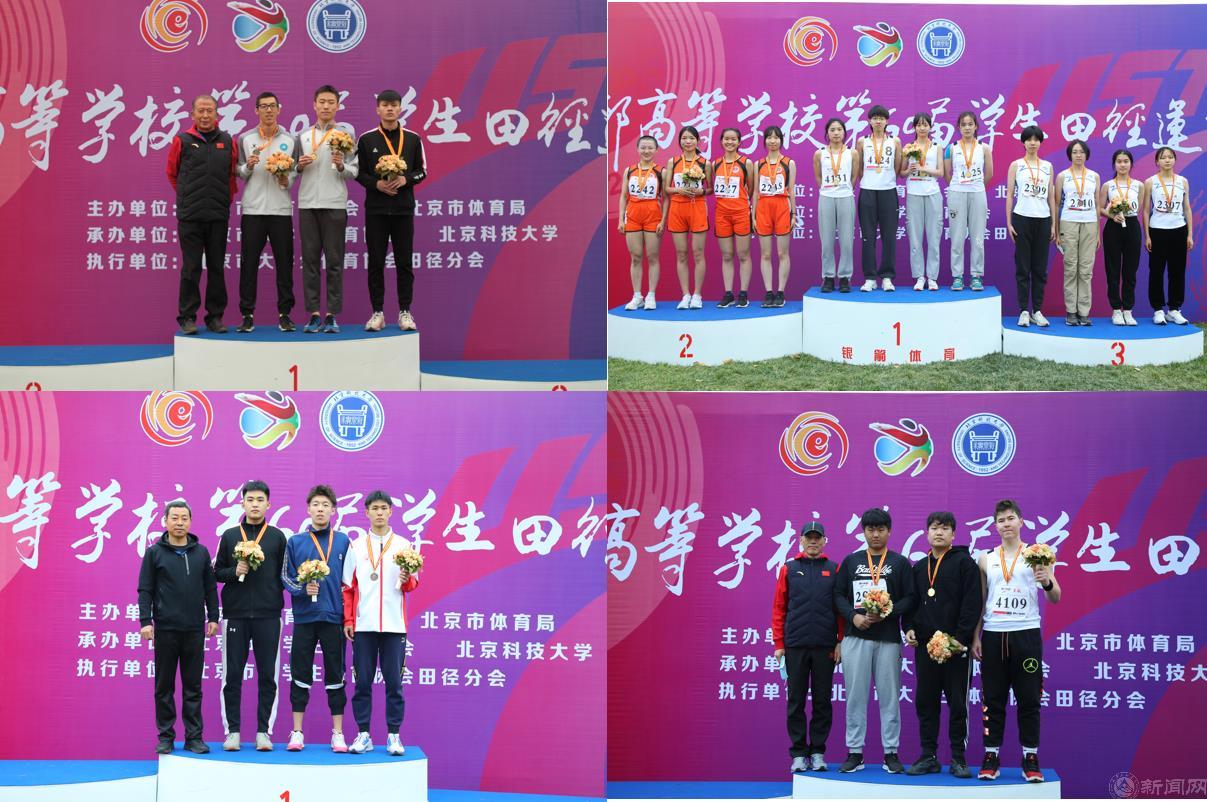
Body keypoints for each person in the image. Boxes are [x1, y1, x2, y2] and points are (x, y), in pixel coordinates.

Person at [972, 500, 1062, 783]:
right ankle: (991, 755)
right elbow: (981, 600)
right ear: (995, 525)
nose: (1006, 524)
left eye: (1011, 518)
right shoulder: (985, 558)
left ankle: (1030, 757)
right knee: (992, 699)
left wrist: (1046, 581)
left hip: (1026, 635)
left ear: (1021, 522)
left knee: (1029, 698)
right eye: (1001, 520)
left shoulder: (1038, 554)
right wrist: (975, 636)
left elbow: (1055, 596)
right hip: (994, 635)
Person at [833, 508, 914, 774]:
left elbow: (910, 598)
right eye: (870, 529)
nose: (875, 534)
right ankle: (855, 752)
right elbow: (838, 596)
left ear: (889, 531)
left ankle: (891, 752)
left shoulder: (900, 563)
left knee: (889, 698)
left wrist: (888, 611)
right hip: (856, 637)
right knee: (855, 697)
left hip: (888, 639)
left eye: (880, 529)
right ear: (864, 532)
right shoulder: (851, 561)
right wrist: (853, 617)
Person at [137, 500, 220, 754]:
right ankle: (166, 737)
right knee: (164, 686)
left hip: (194, 629)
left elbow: (210, 589)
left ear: (191, 522)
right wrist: (146, 621)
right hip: (166, 629)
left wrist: (213, 617)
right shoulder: (154, 553)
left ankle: (194, 737)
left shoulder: (201, 553)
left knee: (193, 686)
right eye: (175, 518)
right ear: (165, 521)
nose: (180, 522)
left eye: (184, 518)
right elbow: (145, 589)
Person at [902, 512, 981, 779]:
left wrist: (960, 638)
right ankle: (929, 756)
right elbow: (911, 602)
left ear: (953, 534)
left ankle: (958, 758)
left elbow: (972, 603)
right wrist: (909, 628)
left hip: (956, 648)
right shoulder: (918, 567)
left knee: (958, 704)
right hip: (926, 647)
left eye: (945, 528)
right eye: (935, 528)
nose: (939, 532)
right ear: (927, 533)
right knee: (926, 702)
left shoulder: (965, 563)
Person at [342, 492, 420, 756]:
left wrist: (407, 578)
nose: (379, 512)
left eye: (383, 508)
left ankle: (394, 736)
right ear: (366, 512)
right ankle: (363, 734)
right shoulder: (356, 546)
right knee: (362, 682)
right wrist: (349, 619)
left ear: (390, 512)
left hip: (394, 626)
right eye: (374, 508)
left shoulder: (403, 545)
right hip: (363, 625)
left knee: (394, 684)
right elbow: (348, 587)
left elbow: (413, 584)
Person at [213, 480, 287, 751]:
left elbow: (285, 575)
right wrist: (235, 571)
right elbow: (216, 573)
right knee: (232, 675)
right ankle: (232, 731)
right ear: (242, 503)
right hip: (235, 615)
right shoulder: (230, 535)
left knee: (268, 675)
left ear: (268, 504)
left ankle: (263, 732)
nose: (255, 504)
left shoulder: (277, 537)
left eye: (260, 500)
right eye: (250, 500)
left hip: (269, 615)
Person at [281, 485, 352, 752]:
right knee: (300, 673)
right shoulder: (295, 542)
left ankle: (338, 734)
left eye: (325, 505)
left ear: (333, 510)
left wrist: (348, 617)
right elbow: (285, 576)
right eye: (316, 505)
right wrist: (303, 589)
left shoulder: (343, 541)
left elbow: (350, 582)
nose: (320, 509)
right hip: (304, 618)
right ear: (308, 509)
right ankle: (297, 732)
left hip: (333, 617)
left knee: (336, 674)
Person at [772, 522, 844, 773]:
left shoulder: (834, 569)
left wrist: (840, 641)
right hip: (795, 646)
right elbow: (779, 608)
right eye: (809, 537)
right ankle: (799, 754)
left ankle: (818, 752)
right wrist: (779, 643)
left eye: (817, 537)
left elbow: (840, 610)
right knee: (796, 701)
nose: (813, 541)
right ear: (801, 540)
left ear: (824, 541)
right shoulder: (789, 569)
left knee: (823, 701)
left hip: (825, 646)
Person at [355, 89, 427, 332]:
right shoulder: (367, 139)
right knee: (376, 262)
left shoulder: (413, 139)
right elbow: (359, 173)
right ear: (377, 109)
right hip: (376, 211)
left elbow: (422, 171)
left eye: (394, 105)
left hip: (403, 210)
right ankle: (377, 312)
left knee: (404, 262)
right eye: (385, 105)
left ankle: (405, 311)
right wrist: (377, 184)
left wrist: (406, 179)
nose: (389, 109)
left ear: (400, 108)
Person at [166, 94, 237, 335]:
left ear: (217, 115)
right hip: (191, 217)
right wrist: (187, 198)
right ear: (193, 114)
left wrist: (223, 201)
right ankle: (187, 317)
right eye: (201, 111)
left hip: (218, 215)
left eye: (210, 111)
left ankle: (215, 317)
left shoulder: (227, 141)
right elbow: (172, 173)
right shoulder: (182, 140)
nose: (205, 115)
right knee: (191, 268)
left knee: (217, 268)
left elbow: (231, 177)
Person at [234, 91, 299, 333]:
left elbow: (294, 172)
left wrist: (286, 181)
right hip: (253, 209)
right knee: (249, 264)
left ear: (279, 109)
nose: (268, 110)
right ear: (256, 110)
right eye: (264, 106)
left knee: (284, 264)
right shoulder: (245, 138)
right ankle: (247, 315)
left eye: (272, 106)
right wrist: (247, 167)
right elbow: (238, 170)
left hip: (281, 211)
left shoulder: (291, 140)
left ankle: (285, 314)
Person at [298, 84, 359, 334]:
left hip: (334, 204)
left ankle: (332, 315)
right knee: (310, 261)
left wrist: (342, 166)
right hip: (307, 204)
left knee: (334, 261)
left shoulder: (345, 135)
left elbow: (355, 170)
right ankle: (314, 314)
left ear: (338, 106)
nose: (326, 106)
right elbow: (291, 171)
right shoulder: (303, 135)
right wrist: (299, 166)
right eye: (321, 102)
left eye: (330, 102)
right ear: (314, 105)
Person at [1005, 125, 1057, 327]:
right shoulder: (1016, 165)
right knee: (1023, 267)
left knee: (1040, 269)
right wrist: (1009, 222)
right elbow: (1010, 195)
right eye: (1029, 139)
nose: (1032, 143)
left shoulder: (1048, 166)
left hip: (1043, 219)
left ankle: (1037, 310)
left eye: (1036, 139)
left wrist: (1053, 224)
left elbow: (1051, 197)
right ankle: (1023, 311)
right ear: (1024, 142)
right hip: (1022, 218)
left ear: (1040, 142)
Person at [1143, 147, 1195, 325]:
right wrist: (1147, 236)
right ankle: (1158, 310)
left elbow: (1187, 208)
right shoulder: (1150, 182)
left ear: (1174, 160)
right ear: (1157, 161)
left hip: (1179, 230)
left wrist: (1189, 234)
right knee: (1156, 271)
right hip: (1157, 230)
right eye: (1163, 157)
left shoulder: (1182, 181)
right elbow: (1145, 210)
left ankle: (1174, 309)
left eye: (1170, 157)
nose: (1167, 160)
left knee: (1177, 271)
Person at [944, 111, 993, 291]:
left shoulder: (984, 148)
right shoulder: (951, 148)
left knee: (978, 236)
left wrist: (976, 186)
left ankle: (976, 276)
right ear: (958, 127)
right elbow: (947, 174)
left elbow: (989, 173)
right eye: (963, 124)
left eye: (970, 124)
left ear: (976, 126)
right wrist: (958, 186)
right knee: (957, 236)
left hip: (978, 193)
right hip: (957, 193)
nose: (967, 127)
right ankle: (957, 276)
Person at [664, 126, 710, 309]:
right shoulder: (673, 161)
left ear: (697, 141)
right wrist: (678, 190)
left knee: (698, 253)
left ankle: (697, 294)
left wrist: (701, 192)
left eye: (691, 138)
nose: (688, 141)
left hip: (697, 208)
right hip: (677, 208)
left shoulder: (705, 163)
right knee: (681, 254)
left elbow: (711, 189)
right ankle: (685, 295)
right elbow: (666, 189)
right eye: (684, 138)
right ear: (680, 141)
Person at [856, 106, 902, 292]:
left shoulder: (895, 141)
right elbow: (859, 167)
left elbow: (897, 166)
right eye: (875, 118)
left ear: (887, 121)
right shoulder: (862, 142)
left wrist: (886, 179)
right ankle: (870, 278)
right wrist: (869, 180)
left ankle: (887, 277)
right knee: (868, 236)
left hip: (888, 191)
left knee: (889, 236)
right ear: (869, 121)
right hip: (867, 191)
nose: (878, 121)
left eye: (882, 118)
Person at [1098, 148, 1145, 325]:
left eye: (1126, 161)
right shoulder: (1108, 185)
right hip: (1113, 228)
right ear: (1114, 164)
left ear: (1131, 164)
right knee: (1113, 270)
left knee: (1130, 271)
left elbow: (1138, 209)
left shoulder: (1139, 185)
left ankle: (1128, 310)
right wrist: (1112, 215)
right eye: (1119, 161)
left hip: (1132, 226)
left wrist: (1126, 211)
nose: (1122, 164)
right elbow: (1100, 208)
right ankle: (1116, 310)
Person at [1056, 140, 1101, 326]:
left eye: (1081, 152)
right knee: (1070, 268)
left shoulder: (1094, 176)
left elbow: (1097, 205)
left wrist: (1098, 232)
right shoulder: (1062, 176)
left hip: (1090, 223)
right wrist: (1057, 231)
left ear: (1086, 154)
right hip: (1069, 223)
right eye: (1075, 152)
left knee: (1085, 270)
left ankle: (1083, 312)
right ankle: (1071, 312)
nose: (1078, 155)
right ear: (1070, 155)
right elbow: (1057, 205)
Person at [618, 135, 665, 310]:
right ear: (637, 149)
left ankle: (651, 295)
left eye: (650, 148)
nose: (646, 151)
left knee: (652, 257)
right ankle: (637, 296)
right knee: (636, 257)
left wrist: (663, 220)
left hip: (653, 215)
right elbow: (623, 196)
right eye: (643, 147)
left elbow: (666, 198)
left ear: (656, 150)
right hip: (633, 216)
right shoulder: (629, 171)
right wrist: (621, 219)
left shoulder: (661, 171)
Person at [753, 126, 795, 307]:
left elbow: (791, 190)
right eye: (769, 137)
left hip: (782, 207)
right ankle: (769, 292)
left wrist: (794, 214)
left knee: (782, 253)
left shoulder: (788, 163)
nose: (772, 141)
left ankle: (781, 292)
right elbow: (755, 191)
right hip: (763, 208)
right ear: (764, 141)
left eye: (776, 137)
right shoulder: (758, 164)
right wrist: (753, 215)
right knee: (766, 253)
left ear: (781, 140)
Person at [713, 127, 756, 308]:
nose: (729, 142)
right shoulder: (715, 164)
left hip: (741, 213)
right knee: (727, 255)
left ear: (739, 142)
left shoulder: (746, 163)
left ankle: (743, 293)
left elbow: (751, 189)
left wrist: (743, 204)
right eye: (726, 139)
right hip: (722, 214)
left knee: (743, 254)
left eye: (733, 139)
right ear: (721, 141)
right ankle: (729, 293)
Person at [901, 113, 943, 291]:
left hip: (932, 193)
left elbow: (940, 172)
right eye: (919, 125)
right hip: (914, 194)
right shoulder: (909, 148)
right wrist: (910, 170)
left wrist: (923, 167)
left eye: (925, 125)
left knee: (934, 238)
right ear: (914, 128)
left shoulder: (937, 147)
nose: (922, 128)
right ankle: (919, 276)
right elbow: (901, 173)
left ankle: (932, 277)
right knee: (915, 238)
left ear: (930, 127)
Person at [814, 118, 857, 293]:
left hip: (846, 197)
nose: (836, 133)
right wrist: (828, 189)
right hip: (826, 197)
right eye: (832, 130)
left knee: (846, 241)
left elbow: (854, 176)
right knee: (827, 241)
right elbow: (818, 177)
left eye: (839, 129)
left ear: (844, 132)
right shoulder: (819, 154)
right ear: (827, 133)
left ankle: (845, 277)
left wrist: (844, 189)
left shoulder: (852, 153)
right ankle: (828, 276)